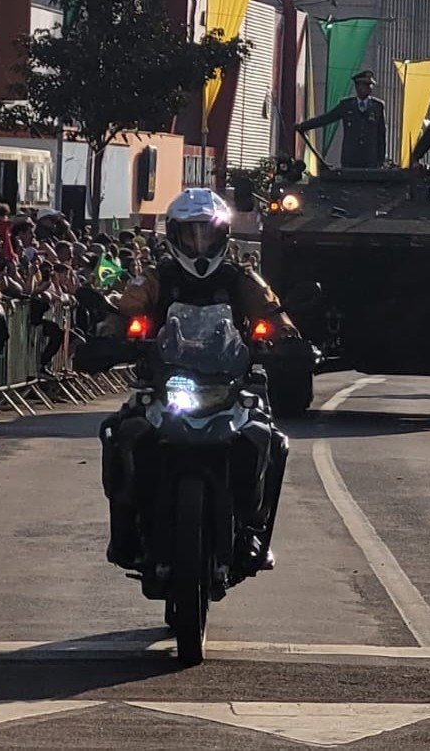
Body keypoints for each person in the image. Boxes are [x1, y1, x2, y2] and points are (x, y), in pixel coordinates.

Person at [96, 188, 297, 573]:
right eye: (192, 234)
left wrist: (288, 339)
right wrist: (108, 334)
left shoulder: (239, 277)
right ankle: (126, 531)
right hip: (165, 383)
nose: (200, 242)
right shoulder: (156, 278)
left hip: (229, 384)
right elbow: (125, 310)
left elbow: (272, 312)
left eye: (208, 233)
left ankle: (253, 527)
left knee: (268, 438)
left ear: (222, 235)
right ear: (175, 235)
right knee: (119, 432)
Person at [295, 69, 387, 169]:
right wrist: (303, 126)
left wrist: (381, 160)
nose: (369, 87)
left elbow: (381, 135)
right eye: (365, 84)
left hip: (370, 160)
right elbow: (326, 118)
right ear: (357, 86)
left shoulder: (378, 106)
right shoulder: (346, 105)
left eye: (370, 85)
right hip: (350, 159)